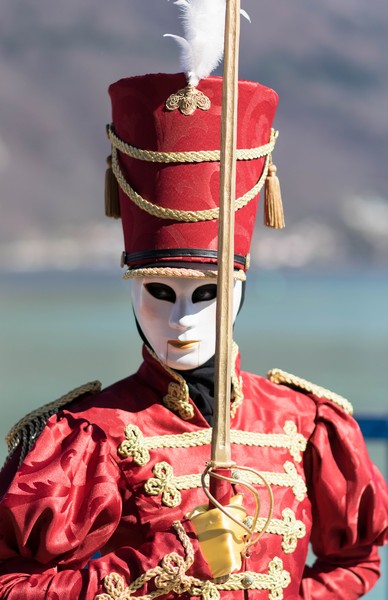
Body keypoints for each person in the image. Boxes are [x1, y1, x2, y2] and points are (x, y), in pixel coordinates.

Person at [0, 45, 387, 600]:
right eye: (161, 293)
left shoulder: (306, 422)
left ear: (239, 298)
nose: (182, 318)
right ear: (133, 295)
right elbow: (12, 585)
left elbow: (357, 560)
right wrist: (159, 564)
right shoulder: (86, 436)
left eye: (207, 294)